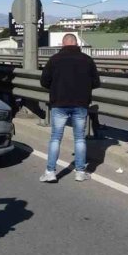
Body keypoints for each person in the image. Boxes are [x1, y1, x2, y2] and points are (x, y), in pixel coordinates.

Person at [39, 33, 101, 182]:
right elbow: (96, 82)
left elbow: (44, 81)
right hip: (80, 103)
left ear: (63, 44)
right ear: (77, 43)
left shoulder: (54, 60)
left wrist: (56, 88)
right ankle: (80, 172)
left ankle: (50, 172)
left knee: (55, 138)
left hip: (59, 103)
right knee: (79, 138)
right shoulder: (87, 60)